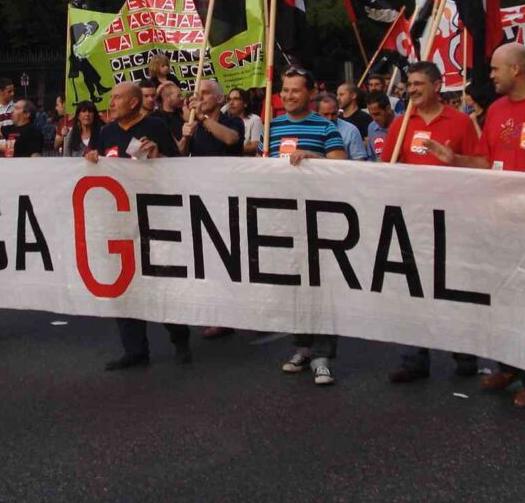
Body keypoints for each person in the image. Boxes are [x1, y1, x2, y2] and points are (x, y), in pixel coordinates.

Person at [423, 43, 525, 409]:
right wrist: (455, 159)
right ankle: (507, 367)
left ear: (518, 69)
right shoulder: (495, 111)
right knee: (499, 295)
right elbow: (484, 162)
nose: (490, 75)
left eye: (496, 69)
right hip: (498, 219)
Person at [378, 61, 481, 382]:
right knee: (412, 289)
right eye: (409, 84)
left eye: (419, 83)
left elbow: (480, 165)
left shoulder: (461, 122)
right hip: (412, 219)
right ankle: (414, 358)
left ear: (437, 86)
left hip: (452, 219)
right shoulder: (400, 124)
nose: (411, 89)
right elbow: (386, 170)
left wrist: (456, 162)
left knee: (453, 286)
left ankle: (464, 353)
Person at [84, 82, 189, 370]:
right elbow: (99, 165)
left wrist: (159, 156)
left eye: (117, 97)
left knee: (161, 281)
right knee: (124, 283)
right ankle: (135, 350)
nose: (111, 102)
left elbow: (178, 167)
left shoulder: (154, 126)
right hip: (119, 219)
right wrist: (92, 160)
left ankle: (180, 338)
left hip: (153, 217)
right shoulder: (106, 132)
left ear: (133, 103)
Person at [260, 68, 346, 386]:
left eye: (296, 90)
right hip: (283, 217)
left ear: (311, 93)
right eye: (284, 90)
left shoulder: (325, 127)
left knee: (321, 289)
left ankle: (323, 356)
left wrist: (314, 157)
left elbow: (342, 165)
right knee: (295, 288)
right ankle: (303, 348)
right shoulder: (272, 127)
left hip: (319, 220)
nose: (289, 96)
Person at [182, 79, 245, 341]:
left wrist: (204, 119)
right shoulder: (194, 125)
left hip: (227, 197)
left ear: (220, 99)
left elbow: (231, 140)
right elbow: (178, 154)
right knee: (207, 258)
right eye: (198, 93)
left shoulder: (232, 121)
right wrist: (186, 136)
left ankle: (232, 312)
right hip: (201, 197)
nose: (201, 97)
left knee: (230, 258)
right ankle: (218, 314)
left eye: (206, 93)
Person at [316, 92, 367, 160]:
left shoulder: (351, 131)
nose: (330, 118)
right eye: (326, 114)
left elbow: (359, 161)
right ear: (317, 113)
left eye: (334, 114)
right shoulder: (309, 129)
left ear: (338, 111)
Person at [227, 87, 262, 155]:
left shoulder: (254, 120)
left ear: (245, 103)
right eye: (229, 99)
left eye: (236, 99)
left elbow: (255, 146)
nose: (231, 103)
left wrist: (231, 150)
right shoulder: (226, 121)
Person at [364, 92, 394, 161]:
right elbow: (371, 157)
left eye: (377, 114)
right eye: (372, 115)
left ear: (388, 108)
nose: (374, 118)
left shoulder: (404, 124)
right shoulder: (371, 127)